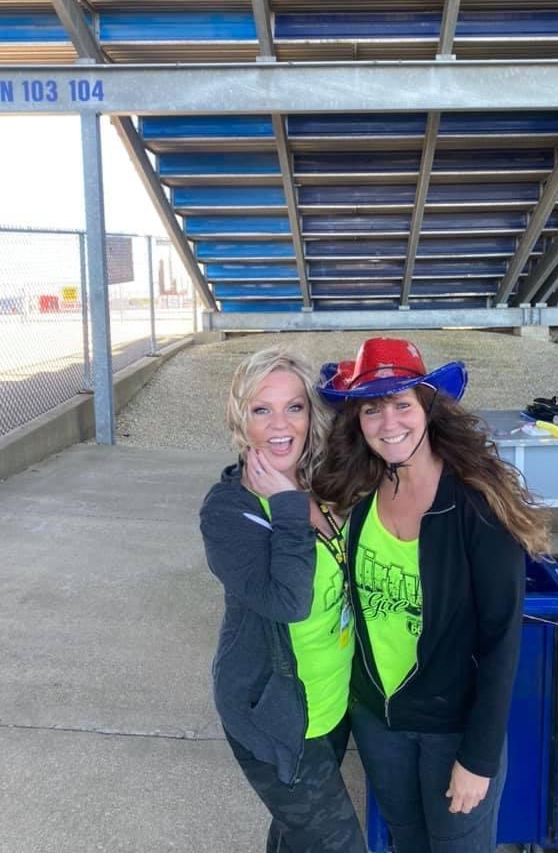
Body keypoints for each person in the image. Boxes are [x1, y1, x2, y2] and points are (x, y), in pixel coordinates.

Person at [315, 337, 551, 853]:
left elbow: (501, 640)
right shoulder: (357, 494)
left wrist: (478, 758)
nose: (388, 422)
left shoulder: (475, 506)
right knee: (407, 842)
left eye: (402, 404)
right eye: (371, 409)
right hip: (379, 722)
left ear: (428, 409)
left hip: (452, 729)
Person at [199, 346, 366, 853]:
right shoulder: (229, 511)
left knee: (298, 838)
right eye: (261, 409)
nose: (280, 425)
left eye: (294, 407)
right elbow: (290, 602)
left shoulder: (322, 482)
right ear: (240, 419)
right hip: (276, 718)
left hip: (331, 703)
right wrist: (289, 505)